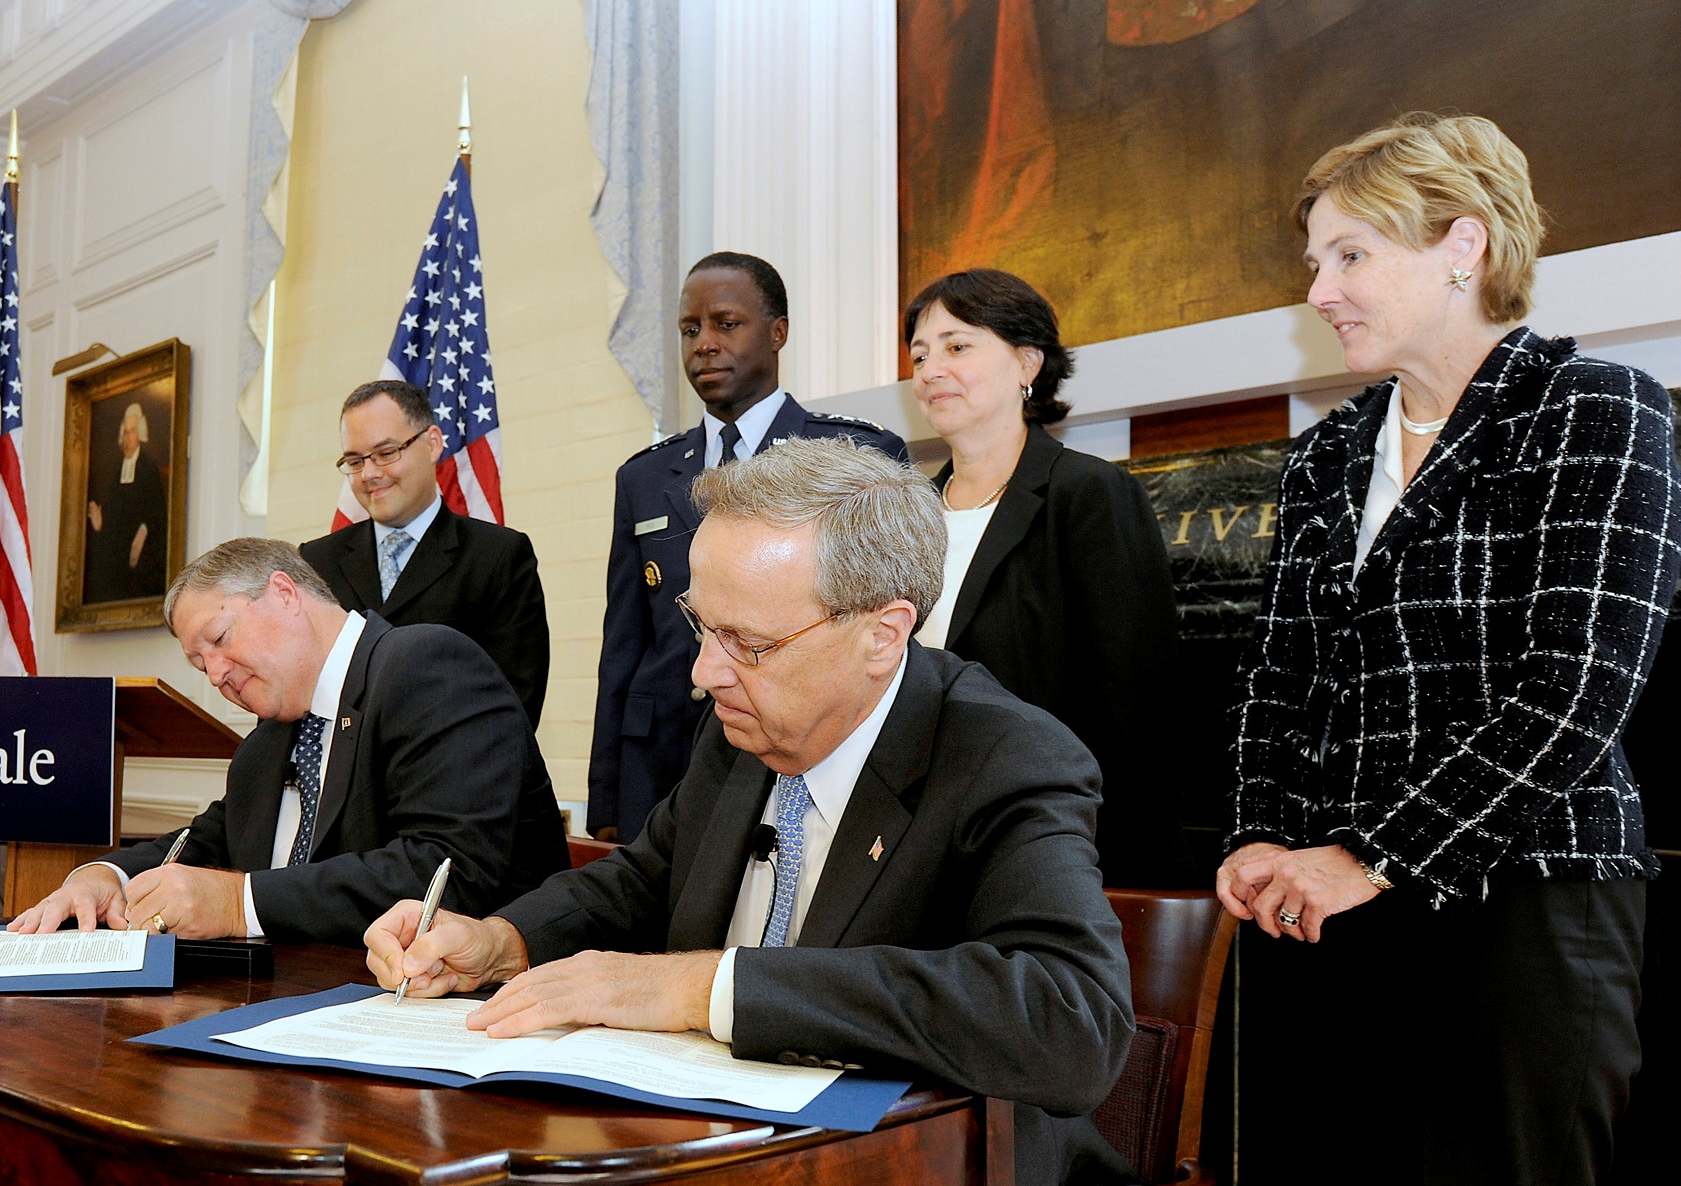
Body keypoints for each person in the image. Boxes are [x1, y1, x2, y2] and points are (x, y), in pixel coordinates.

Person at [368, 437, 1136, 1186]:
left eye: (746, 642)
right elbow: (639, 881)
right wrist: (500, 942)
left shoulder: (1003, 755)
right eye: (701, 625)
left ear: (883, 633)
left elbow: (1073, 1021)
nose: (705, 673)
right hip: (714, 1148)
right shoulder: (741, 730)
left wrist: (704, 989)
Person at [1216, 113, 1681, 1185]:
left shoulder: (1597, 409)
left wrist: (1373, 855)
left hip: (1528, 900)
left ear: (1462, 245)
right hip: (1329, 911)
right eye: (1316, 262)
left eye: (1351, 255)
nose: (1320, 290)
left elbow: (1575, 693)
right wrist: (1259, 831)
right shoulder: (1327, 453)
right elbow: (1277, 676)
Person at [10, 538, 568, 944]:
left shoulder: (424, 663)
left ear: (284, 592)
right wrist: (105, 876)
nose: (217, 675)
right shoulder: (269, 742)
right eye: (199, 665)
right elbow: (208, 842)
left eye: (220, 640)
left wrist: (237, 903)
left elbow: (449, 872)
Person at [587, 252, 910, 842]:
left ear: (778, 331)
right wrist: (605, 793)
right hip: (658, 762)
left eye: (726, 324)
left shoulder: (853, 457)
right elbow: (624, 642)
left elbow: (879, 638)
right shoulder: (644, 476)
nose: (705, 343)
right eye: (690, 329)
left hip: (791, 749)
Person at [904, 268, 1194, 888]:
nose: (930, 370)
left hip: (1051, 837)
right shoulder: (903, 515)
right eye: (920, 353)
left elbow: (1136, 702)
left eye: (957, 346)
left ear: (1027, 363)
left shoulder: (1089, 493)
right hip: (919, 838)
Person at [301, 379, 550, 727]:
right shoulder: (316, 563)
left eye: (386, 452)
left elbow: (514, 705)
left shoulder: (497, 557)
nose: (370, 474)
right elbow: (297, 689)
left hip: (453, 774)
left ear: (432, 443)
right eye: (355, 461)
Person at [84, 401, 167, 602]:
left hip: (141, 557)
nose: (127, 438)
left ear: (140, 434)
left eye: (132, 432)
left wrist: (141, 536)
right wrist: (99, 525)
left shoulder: (149, 470)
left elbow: (157, 516)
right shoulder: (114, 475)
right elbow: (111, 517)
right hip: (117, 558)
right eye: (125, 432)